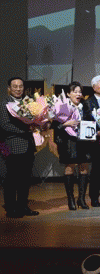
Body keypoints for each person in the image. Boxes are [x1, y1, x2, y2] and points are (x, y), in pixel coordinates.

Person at [0, 77, 40, 218]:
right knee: (11, 179)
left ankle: (23, 206)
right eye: (15, 86)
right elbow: (5, 125)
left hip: (28, 145)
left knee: (25, 179)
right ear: (9, 88)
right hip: (12, 146)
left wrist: (38, 124)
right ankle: (11, 208)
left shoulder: (28, 103)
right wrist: (25, 130)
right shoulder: (4, 104)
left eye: (20, 86)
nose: (18, 89)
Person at [52, 81, 90, 210]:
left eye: (80, 92)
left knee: (84, 168)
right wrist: (65, 124)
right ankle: (71, 200)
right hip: (68, 141)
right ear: (68, 94)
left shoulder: (85, 106)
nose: (78, 94)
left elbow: (91, 121)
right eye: (75, 91)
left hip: (83, 141)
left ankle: (81, 199)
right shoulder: (62, 106)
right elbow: (54, 125)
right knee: (70, 168)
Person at [82, 75, 100, 207]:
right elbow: (86, 121)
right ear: (94, 87)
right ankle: (94, 197)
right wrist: (97, 131)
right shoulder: (88, 102)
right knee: (96, 169)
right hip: (95, 141)